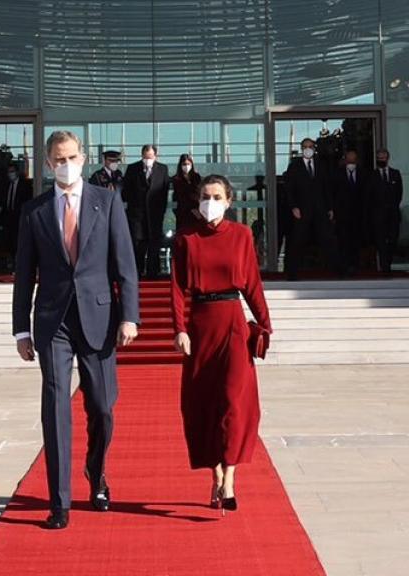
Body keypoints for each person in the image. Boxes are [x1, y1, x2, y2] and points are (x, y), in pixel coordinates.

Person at [12, 131, 140, 529]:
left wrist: (129, 316)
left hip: (99, 319)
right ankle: (60, 501)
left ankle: (95, 473)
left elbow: (125, 263)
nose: (65, 164)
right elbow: (23, 275)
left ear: (82, 159)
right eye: (57, 159)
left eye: (71, 157)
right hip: (52, 321)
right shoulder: (34, 211)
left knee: (102, 406)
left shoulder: (107, 201)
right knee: (55, 406)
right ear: (48, 163)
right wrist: (21, 330)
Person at [170, 174, 272, 514]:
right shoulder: (185, 238)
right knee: (203, 403)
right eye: (204, 195)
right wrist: (179, 328)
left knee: (233, 401)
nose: (209, 201)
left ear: (229, 201)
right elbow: (176, 288)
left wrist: (265, 323)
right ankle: (214, 475)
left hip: (232, 324)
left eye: (216, 196)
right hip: (200, 326)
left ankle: (229, 478)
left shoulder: (242, 235)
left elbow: (253, 283)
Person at [283, 138, 342, 280]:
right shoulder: (294, 166)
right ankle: (292, 272)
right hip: (302, 210)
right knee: (298, 240)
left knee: (327, 238)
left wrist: (330, 207)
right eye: (305, 146)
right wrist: (294, 206)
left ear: (314, 148)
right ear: (301, 148)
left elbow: (327, 187)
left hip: (320, 209)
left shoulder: (321, 164)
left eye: (310, 146)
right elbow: (289, 188)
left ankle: (337, 270)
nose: (308, 149)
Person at [122, 144, 170, 278]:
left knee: (154, 244)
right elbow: (126, 191)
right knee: (138, 244)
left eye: (150, 156)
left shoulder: (162, 169)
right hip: (137, 215)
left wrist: (162, 212)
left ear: (155, 156)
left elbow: (164, 192)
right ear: (142, 156)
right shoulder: (132, 169)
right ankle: (137, 271)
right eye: (145, 156)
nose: (147, 159)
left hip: (155, 215)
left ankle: (153, 272)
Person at [367, 149, 403, 274]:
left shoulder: (395, 174)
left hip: (393, 213)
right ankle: (384, 266)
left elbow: (399, 193)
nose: (381, 160)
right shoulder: (372, 175)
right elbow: (369, 196)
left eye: (383, 158)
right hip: (378, 215)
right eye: (379, 158)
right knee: (380, 241)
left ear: (387, 158)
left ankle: (388, 261)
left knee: (393, 239)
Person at [332, 149, 367, 274]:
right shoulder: (337, 174)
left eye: (353, 159)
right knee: (343, 240)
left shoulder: (364, 174)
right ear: (345, 159)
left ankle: (356, 265)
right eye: (349, 158)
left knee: (356, 240)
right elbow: (333, 194)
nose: (351, 161)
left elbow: (366, 194)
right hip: (342, 214)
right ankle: (344, 265)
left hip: (358, 214)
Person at [0, 164, 32, 262]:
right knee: (10, 241)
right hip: (9, 218)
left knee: (19, 240)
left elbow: (28, 201)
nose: (10, 174)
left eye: (12, 171)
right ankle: (13, 260)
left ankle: (19, 261)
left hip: (20, 217)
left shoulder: (25, 186)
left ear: (17, 172)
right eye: (9, 172)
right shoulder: (6, 185)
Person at [171, 153, 203, 231]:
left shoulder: (197, 177)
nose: (186, 166)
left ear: (191, 164)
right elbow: (180, 195)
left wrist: (197, 210)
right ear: (180, 165)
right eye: (184, 164)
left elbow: (198, 193)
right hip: (183, 211)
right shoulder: (176, 179)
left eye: (188, 164)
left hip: (197, 211)